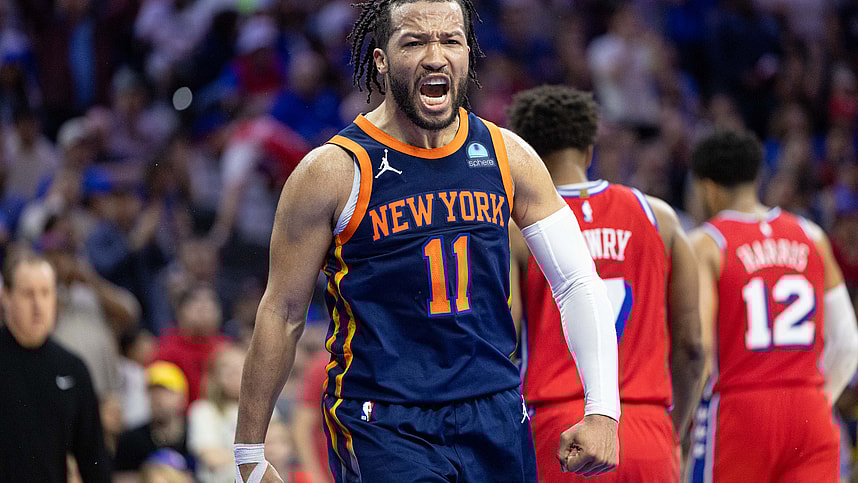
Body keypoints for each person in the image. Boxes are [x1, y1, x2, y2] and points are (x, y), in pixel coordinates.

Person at [234, 1, 621, 482]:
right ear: (381, 59)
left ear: (467, 54)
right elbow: (283, 311)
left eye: (450, 41)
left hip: (495, 411)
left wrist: (603, 408)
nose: (435, 56)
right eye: (415, 41)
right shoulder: (332, 171)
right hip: (385, 420)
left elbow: (578, 282)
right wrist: (248, 454)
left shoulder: (507, 155)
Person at [506, 85, 705, 482]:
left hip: (558, 429)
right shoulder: (661, 218)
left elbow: (504, 336)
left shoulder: (516, 229)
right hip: (647, 427)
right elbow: (693, 345)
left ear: (524, 153)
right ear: (589, 150)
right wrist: (673, 429)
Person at [686, 130, 858, 482]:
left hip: (740, 409)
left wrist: (681, 419)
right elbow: (848, 343)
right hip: (809, 409)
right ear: (756, 177)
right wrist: (817, 400)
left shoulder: (706, 242)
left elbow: (697, 346)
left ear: (708, 188)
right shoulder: (812, 235)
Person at [0, 251, 110, 482]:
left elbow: (93, 458)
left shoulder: (73, 368)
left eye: (45, 293)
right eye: (28, 294)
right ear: (6, 297)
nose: (38, 305)